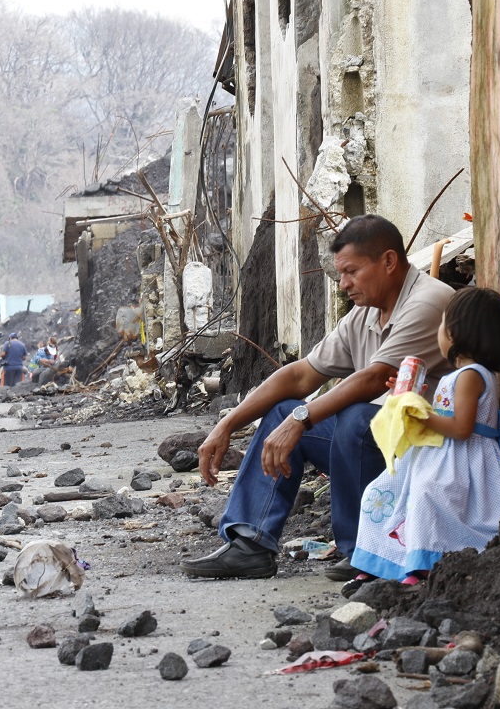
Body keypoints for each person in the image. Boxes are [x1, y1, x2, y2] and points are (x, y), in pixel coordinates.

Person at [180, 215, 455, 580]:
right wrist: (227, 424)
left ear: (388, 262)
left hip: (426, 451)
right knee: (283, 411)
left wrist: (303, 419)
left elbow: (375, 379)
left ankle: (367, 552)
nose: (343, 285)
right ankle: (250, 542)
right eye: (341, 274)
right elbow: (300, 375)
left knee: (356, 419)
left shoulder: (428, 302)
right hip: (376, 446)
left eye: (351, 272)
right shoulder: (364, 315)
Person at [342, 288, 500, 596]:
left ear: (457, 332)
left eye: (442, 324)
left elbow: (462, 428)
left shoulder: (472, 375)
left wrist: (421, 418)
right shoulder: (457, 375)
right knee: (379, 491)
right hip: (442, 454)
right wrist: (414, 399)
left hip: (465, 461)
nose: (439, 332)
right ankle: (377, 561)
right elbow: (447, 414)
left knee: (427, 495)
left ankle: (421, 564)